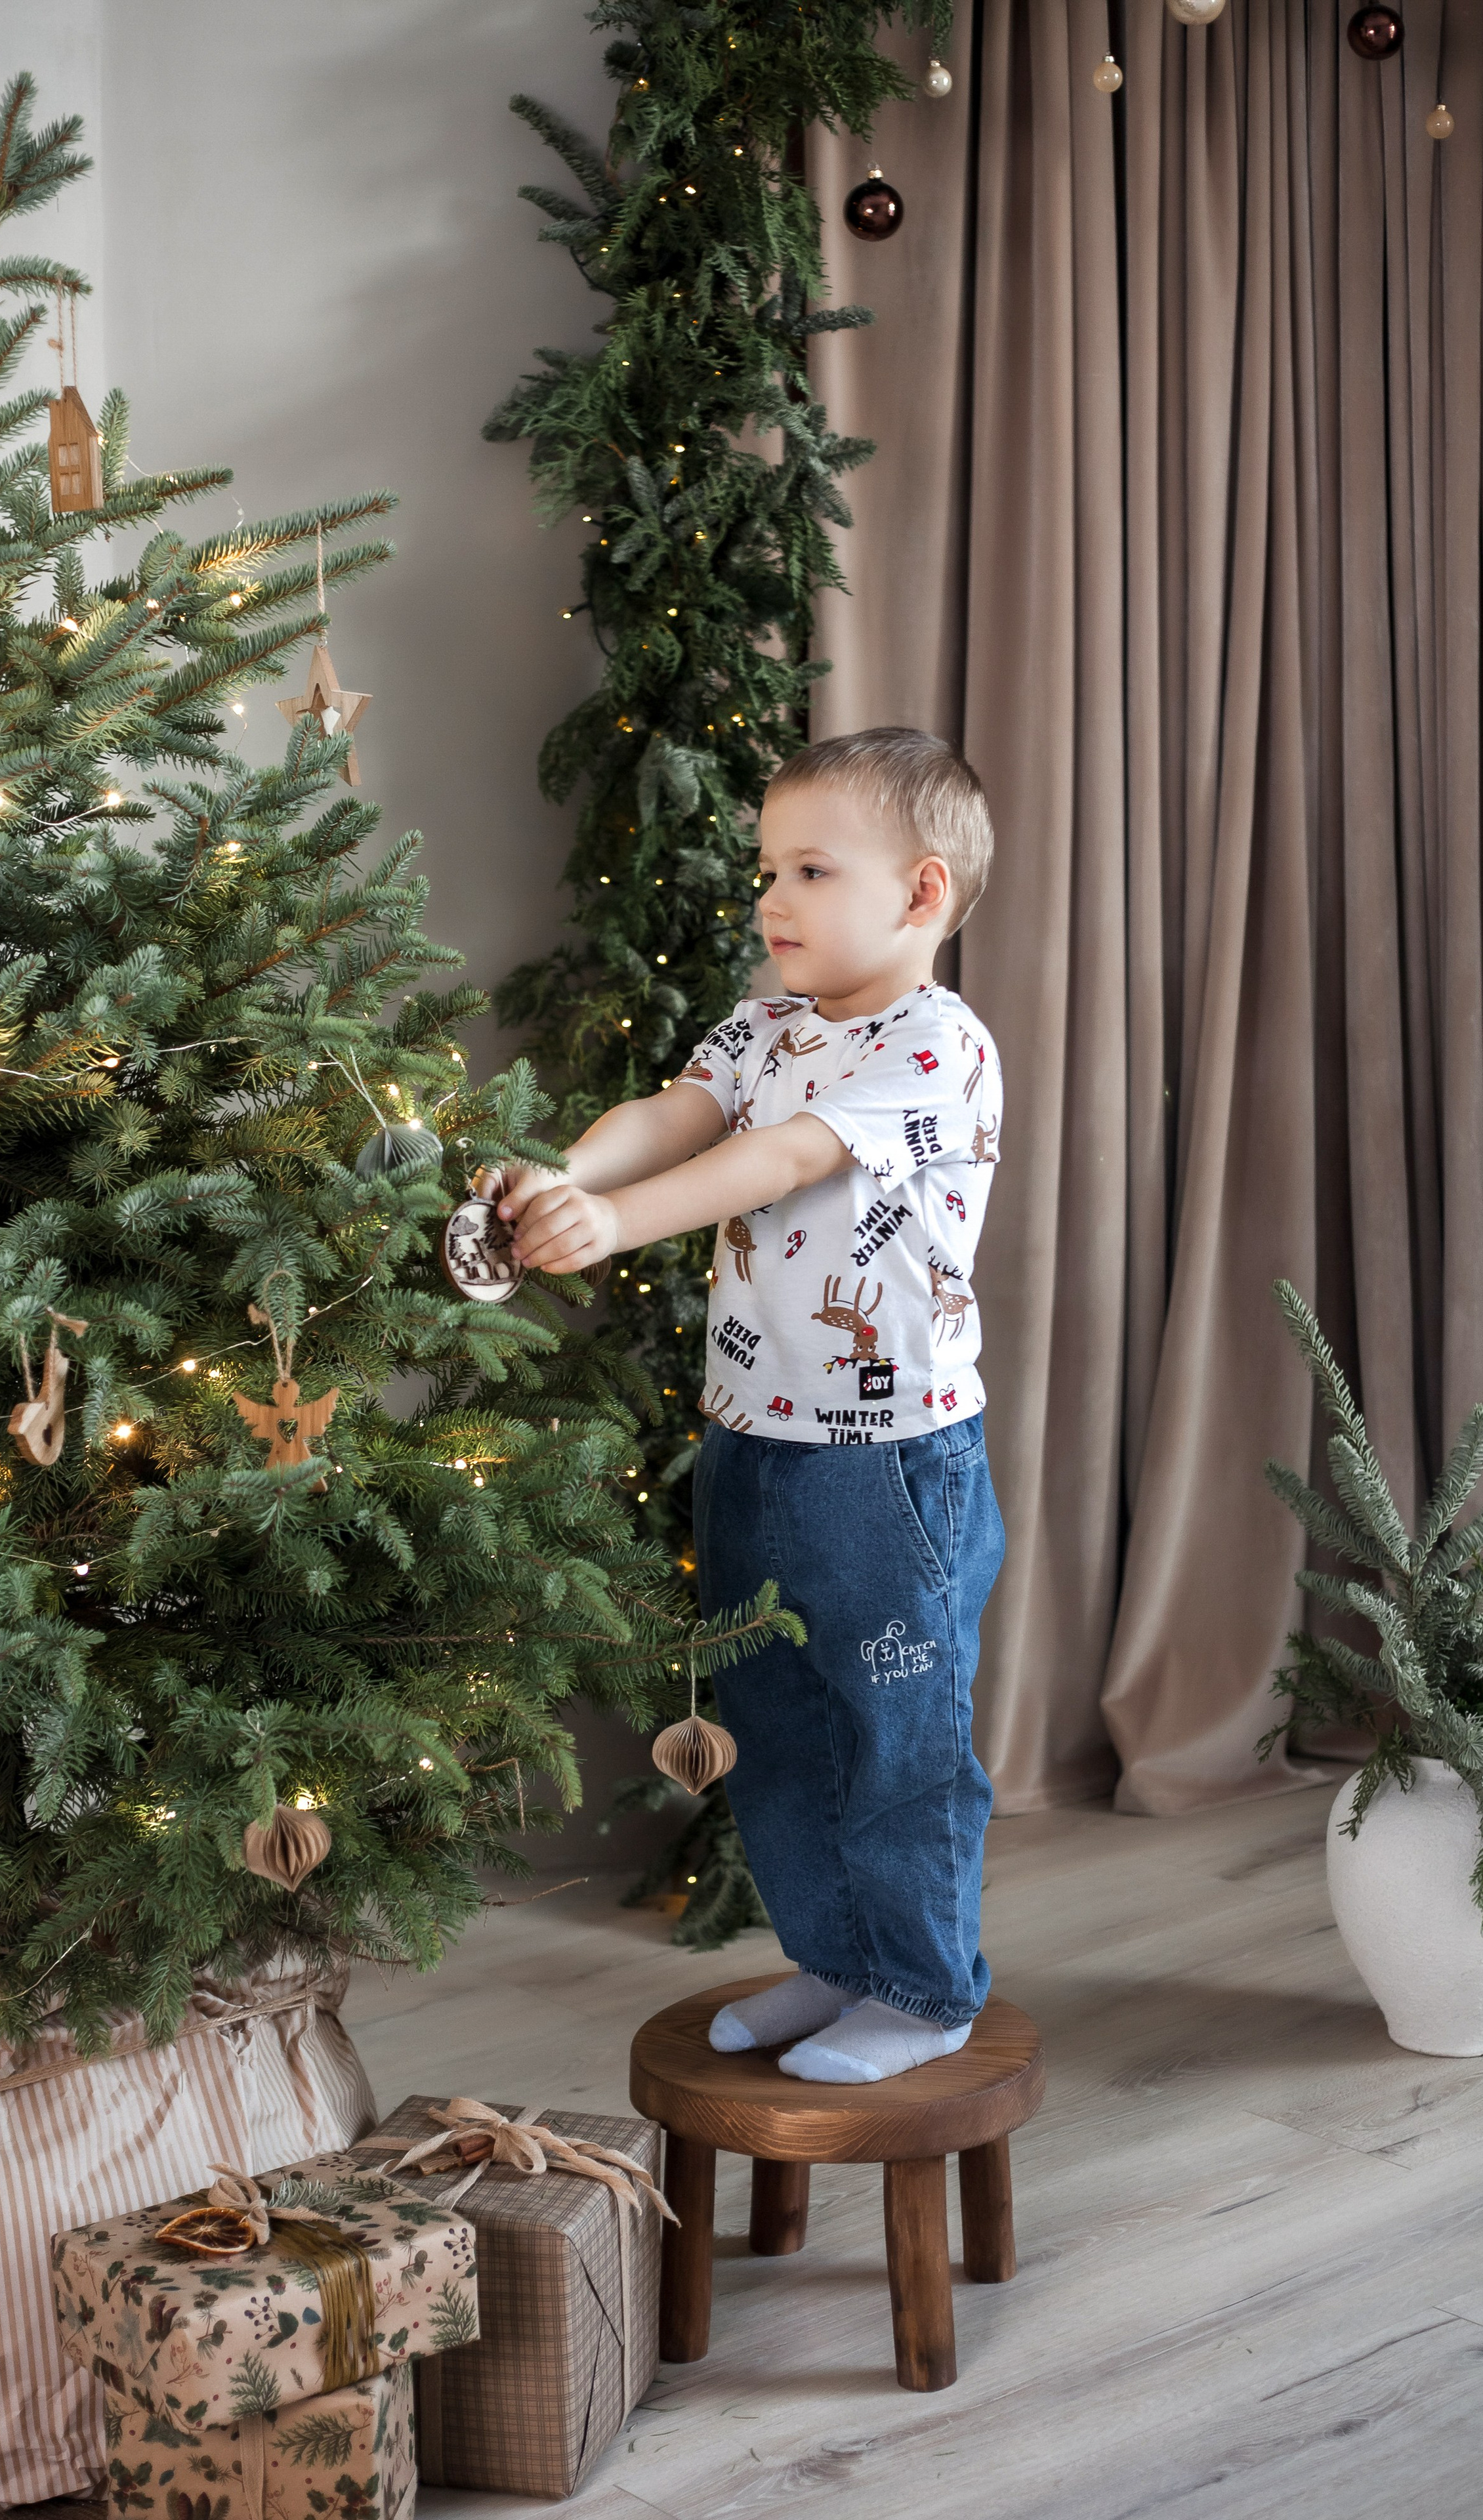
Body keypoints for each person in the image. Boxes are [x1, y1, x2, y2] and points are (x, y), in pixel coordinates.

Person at [494, 726, 1005, 2084]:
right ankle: (835, 1962)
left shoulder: (935, 1047)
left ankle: (922, 1986)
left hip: (886, 1468)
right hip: (752, 1440)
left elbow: (774, 1159)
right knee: (769, 1720)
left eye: (808, 870)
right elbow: (675, 1114)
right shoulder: (767, 1022)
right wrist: (565, 1180)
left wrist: (608, 1226)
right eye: (764, 867)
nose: (768, 899)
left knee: (894, 1736)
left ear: (919, 894)